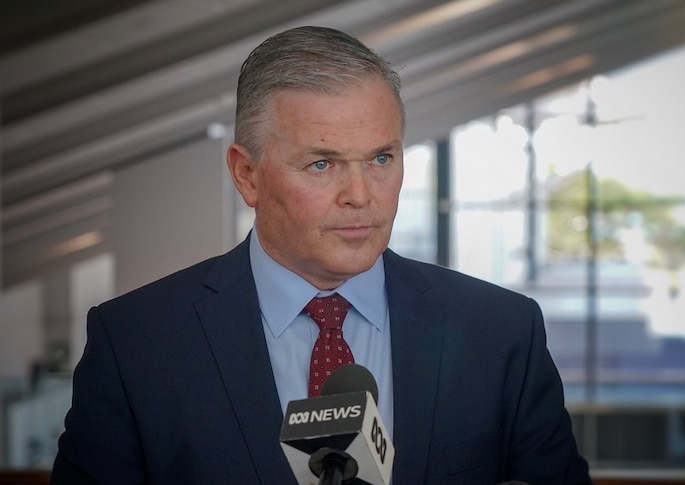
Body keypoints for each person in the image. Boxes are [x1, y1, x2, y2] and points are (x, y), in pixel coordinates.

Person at [51, 26, 592, 484]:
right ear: (247, 174)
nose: (361, 194)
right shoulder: (137, 343)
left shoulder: (501, 331)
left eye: (381, 157)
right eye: (322, 164)